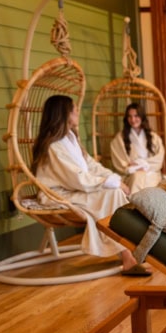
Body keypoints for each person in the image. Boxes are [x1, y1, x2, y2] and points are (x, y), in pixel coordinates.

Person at [31, 95, 151, 276]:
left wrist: (114, 179)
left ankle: (128, 253)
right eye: (74, 109)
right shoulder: (54, 146)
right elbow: (76, 178)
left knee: (115, 191)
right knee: (112, 194)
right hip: (59, 193)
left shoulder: (70, 139)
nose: (77, 111)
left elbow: (91, 166)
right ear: (64, 114)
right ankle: (128, 256)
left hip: (76, 188)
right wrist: (110, 184)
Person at [110, 102, 165, 193]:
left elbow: (159, 159)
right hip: (131, 173)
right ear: (126, 118)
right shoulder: (120, 138)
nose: (133, 119)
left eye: (136, 116)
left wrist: (142, 164)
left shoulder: (153, 137)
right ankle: (135, 205)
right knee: (137, 177)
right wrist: (135, 168)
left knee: (148, 180)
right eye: (130, 116)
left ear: (142, 117)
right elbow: (120, 161)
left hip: (150, 171)